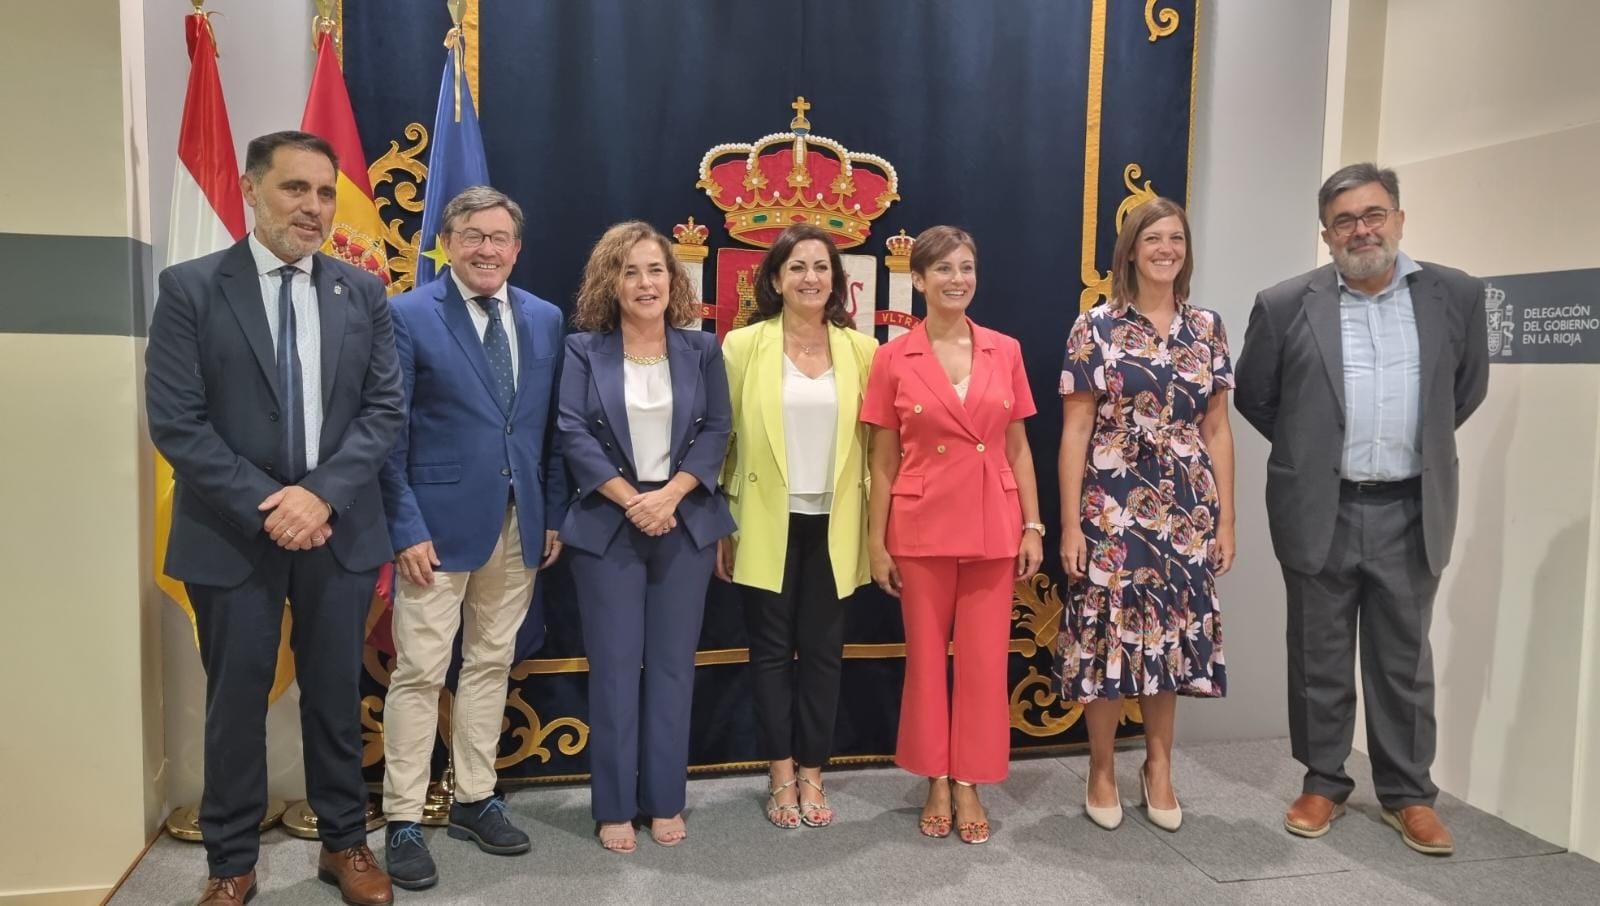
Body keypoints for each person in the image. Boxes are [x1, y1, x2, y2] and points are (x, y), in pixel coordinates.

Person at [145, 130, 402, 906]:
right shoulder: (191, 287)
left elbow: (384, 411)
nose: (314, 207)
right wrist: (274, 507)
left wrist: (319, 496)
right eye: (295, 188)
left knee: (334, 697)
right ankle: (230, 861)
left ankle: (344, 843)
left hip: (338, 529)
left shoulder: (362, 292)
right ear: (251, 191)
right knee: (235, 704)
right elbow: (177, 421)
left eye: (324, 192)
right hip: (232, 534)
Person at [1233, 163, 1489, 856]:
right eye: (1344, 221)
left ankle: (1409, 795)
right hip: (1321, 505)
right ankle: (1324, 782)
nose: (1361, 230)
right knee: (1316, 653)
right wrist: (1313, 451)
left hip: (1412, 506)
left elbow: (1464, 392)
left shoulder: (1456, 295)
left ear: (1399, 219)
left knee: (1404, 658)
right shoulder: (1286, 303)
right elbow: (1255, 396)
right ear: (1327, 234)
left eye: (1374, 214)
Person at [377, 186, 567, 887]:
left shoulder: (544, 317)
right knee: (421, 671)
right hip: (433, 531)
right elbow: (389, 431)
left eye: (499, 238)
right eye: (473, 236)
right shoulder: (407, 313)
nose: (487, 249)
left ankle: (475, 797)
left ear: (517, 248)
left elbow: (547, 429)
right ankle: (402, 817)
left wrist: (550, 514)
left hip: (520, 524)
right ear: (448, 243)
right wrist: (405, 527)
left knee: (490, 662)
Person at [1056, 197, 1236, 834]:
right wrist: (1070, 524)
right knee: (1108, 634)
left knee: (1167, 634)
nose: (1166, 249)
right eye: (1153, 238)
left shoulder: (1207, 327)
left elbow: (1218, 429)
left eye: (1176, 239)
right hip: (1111, 503)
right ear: (1130, 250)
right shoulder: (1095, 327)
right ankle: (1102, 768)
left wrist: (1227, 520)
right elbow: (1075, 430)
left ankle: (1159, 768)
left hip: (1186, 507)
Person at [556, 221, 736, 853]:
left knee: (671, 669)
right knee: (612, 670)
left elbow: (717, 429)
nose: (644, 283)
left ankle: (664, 800)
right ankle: (612, 806)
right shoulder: (584, 350)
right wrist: (634, 500)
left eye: (655, 269)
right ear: (610, 282)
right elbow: (572, 431)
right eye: (629, 271)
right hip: (610, 523)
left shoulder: (703, 349)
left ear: (672, 278)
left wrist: (670, 496)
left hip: (683, 522)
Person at [862, 225, 1044, 845]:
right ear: (918, 279)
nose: (957, 279)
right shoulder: (893, 357)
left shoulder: (1005, 350)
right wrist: (876, 543)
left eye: (966, 267)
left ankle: (970, 779)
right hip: (920, 525)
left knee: (985, 663)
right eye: (943, 269)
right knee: (925, 662)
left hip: (994, 523)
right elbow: (882, 460)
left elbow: (1018, 448)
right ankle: (934, 777)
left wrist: (1033, 525)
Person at [716, 224, 878, 829]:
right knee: (768, 654)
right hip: (763, 521)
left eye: (821, 267)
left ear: (837, 280)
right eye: (798, 267)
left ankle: (813, 770)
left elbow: (878, 448)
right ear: (776, 279)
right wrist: (722, 525)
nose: (811, 277)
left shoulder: (863, 351)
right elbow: (722, 440)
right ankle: (780, 772)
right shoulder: (743, 346)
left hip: (837, 523)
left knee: (823, 654)